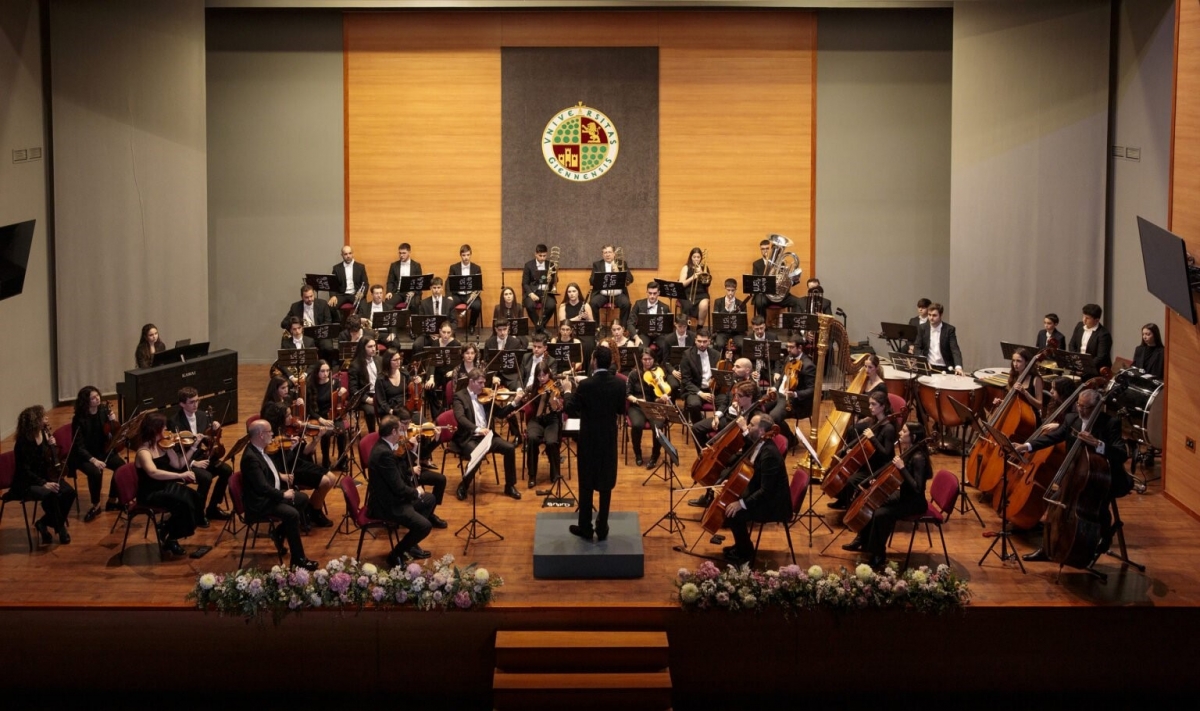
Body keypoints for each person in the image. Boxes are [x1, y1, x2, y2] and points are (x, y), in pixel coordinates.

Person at [1015, 387, 1132, 563]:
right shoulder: (1072, 419)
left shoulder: (1110, 423)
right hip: (1074, 474)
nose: (1081, 410)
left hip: (1103, 478)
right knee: (1053, 506)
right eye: (1079, 405)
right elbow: (1053, 437)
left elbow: (1122, 454)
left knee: (1097, 506)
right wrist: (1027, 446)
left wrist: (1099, 444)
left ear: (1096, 408)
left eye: (1086, 407)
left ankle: (1102, 539)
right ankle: (1047, 549)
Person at [842, 422, 931, 569]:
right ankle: (864, 541)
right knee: (875, 501)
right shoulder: (909, 450)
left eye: (904, 431)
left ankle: (878, 555)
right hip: (904, 496)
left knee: (881, 514)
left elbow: (917, 487)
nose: (900, 433)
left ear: (913, 436)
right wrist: (877, 480)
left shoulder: (918, 458)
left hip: (914, 503)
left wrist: (902, 468)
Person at [562, 346, 626, 542]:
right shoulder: (619, 384)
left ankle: (585, 528)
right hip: (608, 438)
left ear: (595, 361)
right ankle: (602, 526)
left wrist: (567, 391)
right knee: (606, 484)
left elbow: (571, 409)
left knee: (586, 483)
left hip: (589, 439)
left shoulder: (586, 385)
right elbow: (621, 410)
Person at [239, 419, 319, 571]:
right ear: (261, 435)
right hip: (260, 503)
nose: (273, 434)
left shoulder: (260, 449)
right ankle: (298, 560)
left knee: (302, 499)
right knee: (292, 514)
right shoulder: (251, 458)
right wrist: (283, 495)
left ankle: (278, 534)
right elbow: (262, 488)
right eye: (270, 432)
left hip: (269, 496)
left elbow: (267, 471)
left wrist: (280, 476)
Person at [721, 413, 792, 565]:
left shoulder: (769, 454)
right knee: (730, 502)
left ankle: (745, 552)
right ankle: (742, 545)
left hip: (773, 504)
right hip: (764, 495)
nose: (747, 427)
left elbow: (766, 492)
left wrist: (741, 503)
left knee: (734, 513)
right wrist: (732, 485)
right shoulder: (758, 443)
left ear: (761, 431)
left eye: (751, 425)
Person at [367, 415, 435, 566]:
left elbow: (398, 473)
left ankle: (410, 544)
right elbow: (398, 488)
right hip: (387, 505)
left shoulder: (386, 446)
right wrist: (416, 492)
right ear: (393, 432)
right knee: (424, 526)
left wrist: (410, 472)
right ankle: (395, 554)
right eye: (399, 430)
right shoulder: (383, 453)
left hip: (394, 497)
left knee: (430, 499)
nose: (402, 433)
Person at [259, 402, 337, 528]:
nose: (292, 418)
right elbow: (269, 462)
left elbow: (305, 451)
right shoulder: (270, 435)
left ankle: (311, 509)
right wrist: (287, 449)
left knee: (332, 478)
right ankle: (316, 512)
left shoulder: (288, 431)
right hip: (287, 469)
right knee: (325, 482)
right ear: (279, 419)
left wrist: (316, 439)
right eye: (288, 416)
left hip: (296, 462)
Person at [133, 412, 200, 555]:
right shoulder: (143, 452)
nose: (167, 430)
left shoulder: (163, 445)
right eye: (163, 428)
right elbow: (153, 472)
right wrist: (180, 476)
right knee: (183, 504)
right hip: (151, 493)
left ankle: (166, 528)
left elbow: (179, 463)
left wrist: (193, 448)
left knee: (194, 497)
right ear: (155, 430)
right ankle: (171, 538)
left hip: (165, 487)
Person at [452, 368, 522, 501]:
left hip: (488, 437)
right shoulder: (459, 396)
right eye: (480, 383)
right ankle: (464, 485)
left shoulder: (485, 395)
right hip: (469, 438)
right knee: (478, 454)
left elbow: (500, 414)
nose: (484, 386)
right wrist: (478, 429)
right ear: (471, 382)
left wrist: (514, 403)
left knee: (509, 448)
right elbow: (461, 418)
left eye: (484, 383)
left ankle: (509, 486)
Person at [168, 387, 234, 528]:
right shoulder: (174, 422)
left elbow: (207, 441)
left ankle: (213, 508)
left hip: (202, 456)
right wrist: (193, 463)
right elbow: (174, 451)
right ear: (182, 404)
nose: (195, 405)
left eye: (197, 401)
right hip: (186, 461)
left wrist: (214, 431)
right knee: (206, 477)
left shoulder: (203, 416)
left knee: (226, 470)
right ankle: (198, 513)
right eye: (191, 402)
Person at [13, 406, 77, 545]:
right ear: (35, 421)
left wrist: (51, 446)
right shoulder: (22, 443)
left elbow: (47, 458)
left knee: (70, 492)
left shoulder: (44, 433)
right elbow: (25, 471)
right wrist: (44, 483)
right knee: (51, 494)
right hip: (28, 482)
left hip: (47, 475)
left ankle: (43, 523)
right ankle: (61, 528)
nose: (46, 418)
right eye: (43, 417)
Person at [829, 391, 898, 510]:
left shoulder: (889, 429)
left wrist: (873, 438)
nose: (870, 407)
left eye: (873, 404)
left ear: (883, 406)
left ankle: (850, 508)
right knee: (846, 472)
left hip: (878, 467)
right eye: (869, 404)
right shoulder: (874, 422)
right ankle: (843, 500)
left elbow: (886, 454)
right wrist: (854, 449)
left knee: (851, 480)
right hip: (870, 461)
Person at [68, 386, 124, 522]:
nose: (97, 398)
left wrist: (113, 421)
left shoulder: (104, 411)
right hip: (85, 455)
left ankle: (112, 500)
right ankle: (96, 505)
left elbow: (112, 433)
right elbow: (79, 447)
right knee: (95, 472)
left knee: (121, 467)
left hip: (102, 450)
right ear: (86, 401)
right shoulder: (79, 419)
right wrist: (93, 460)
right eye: (93, 398)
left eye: (97, 395)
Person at [517, 362, 564, 488]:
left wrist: (555, 401)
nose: (541, 378)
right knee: (532, 439)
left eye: (544, 375)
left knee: (551, 442)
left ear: (549, 374)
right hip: (536, 420)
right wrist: (521, 396)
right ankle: (532, 475)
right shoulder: (533, 388)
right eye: (539, 376)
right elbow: (523, 396)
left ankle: (555, 473)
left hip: (552, 420)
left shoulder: (556, 386)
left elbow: (561, 405)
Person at [626, 348, 672, 468]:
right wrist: (636, 400)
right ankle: (638, 453)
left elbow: (661, 391)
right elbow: (627, 394)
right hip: (637, 406)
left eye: (650, 359)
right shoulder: (634, 374)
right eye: (645, 359)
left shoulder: (659, 372)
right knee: (637, 425)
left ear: (654, 359)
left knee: (658, 427)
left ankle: (655, 455)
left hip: (654, 405)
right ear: (640, 360)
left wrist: (662, 398)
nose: (647, 362)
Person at [769, 336, 816, 437]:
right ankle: (788, 437)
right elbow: (782, 377)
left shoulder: (808, 366)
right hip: (779, 394)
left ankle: (789, 441)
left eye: (791, 347)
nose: (788, 349)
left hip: (793, 401)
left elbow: (812, 389)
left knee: (772, 417)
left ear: (800, 348)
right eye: (787, 346)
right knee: (761, 408)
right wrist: (774, 387)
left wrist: (795, 394)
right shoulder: (789, 358)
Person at [306, 361, 349, 468]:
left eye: (327, 371)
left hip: (334, 415)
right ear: (316, 372)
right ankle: (326, 460)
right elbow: (310, 409)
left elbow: (341, 401)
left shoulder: (335, 383)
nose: (325, 374)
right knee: (326, 434)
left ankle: (341, 460)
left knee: (342, 432)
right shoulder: (311, 386)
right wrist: (322, 420)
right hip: (319, 417)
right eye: (322, 371)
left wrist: (343, 393)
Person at [588, 244, 634, 326]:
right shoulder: (597, 264)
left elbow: (630, 279)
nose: (607, 254)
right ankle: (596, 328)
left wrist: (618, 273)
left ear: (614, 254)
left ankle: (622, 328)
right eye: (605, 252)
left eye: (609, 252)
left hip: (618, 294)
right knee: (593, 304)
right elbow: (591, 281)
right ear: (602, 254)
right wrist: (601, 277)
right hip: (602, 293)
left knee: (626, 304)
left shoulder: (622, 263)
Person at [680, 329, 718, 424]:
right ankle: (699, 429)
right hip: (695, 390)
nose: (702, 344)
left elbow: (720, 375)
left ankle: (718, 429)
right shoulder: (687, 355)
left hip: (712, 390)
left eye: (705, 342)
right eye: (699, 341)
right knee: (694, 405)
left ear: (709, 341)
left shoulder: (716, 354)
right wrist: (701, 393)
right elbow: (686, 380)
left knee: (727, 401)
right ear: (695, 340)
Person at [914, 303, 964, 375]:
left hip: (946, 368)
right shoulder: (922, 328)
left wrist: (958, 367)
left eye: (934, 315)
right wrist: (923, 361)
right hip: (929, 366)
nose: (931, 318)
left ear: (941, 315)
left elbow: (955, 349)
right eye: (929, 315)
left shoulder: (949, 329)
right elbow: (917, 347)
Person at [1068, 303, 1112, 377]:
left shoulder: (1104, 334)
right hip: (1078, 367)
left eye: (1087, 318)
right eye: (1084, 316)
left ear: (1097, 320)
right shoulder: (1079, 326)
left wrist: (1084, 368)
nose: (1084, 320)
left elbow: (1100, 357)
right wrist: (1076, 363)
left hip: (1095, 371)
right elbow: (1072, 344)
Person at [348, 337, 381, 433]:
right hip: (364, 396)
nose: (373, 349)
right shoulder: (355, 365)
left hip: (378, 393)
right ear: (363, 348)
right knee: (371, 411)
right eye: (370, 346)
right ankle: (372, 433)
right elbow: (353, 389)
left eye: (374, 346)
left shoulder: (379, 360)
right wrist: (368, 399)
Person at [998, 347, 1044, 417]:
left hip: (1030, 417)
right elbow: (1013, 400)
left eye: (1019, 361)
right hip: (1016, 413)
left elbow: (1039, 405)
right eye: (1013, 361)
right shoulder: (1014, 377)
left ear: (1026, 362)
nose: (1015, 364)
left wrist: (1025, 392)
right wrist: (1002, 402)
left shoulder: (1036, 379)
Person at [448, 244, 483, 333]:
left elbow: (479, 285)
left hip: (470, 295)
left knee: (477, 305)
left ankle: (472, 325)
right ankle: (451, 326)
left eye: (468, 255)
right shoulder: (454, 267)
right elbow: (448, 282)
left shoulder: (476, 268)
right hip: (457, 295)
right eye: (464, 255)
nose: (466, 257)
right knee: (447, 304)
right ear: (460, 255)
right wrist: (449, 296)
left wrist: (474, 294)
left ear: (470, 254)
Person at [521, 244, 557, 331]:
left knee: (551, 305)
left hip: (546, 292)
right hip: (533, 291)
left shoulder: (551, 265)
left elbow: (554, 281)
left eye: (544, 256)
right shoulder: (528, 265)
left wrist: (550, 279)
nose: (542, 258)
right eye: (540, 255)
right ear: (535, 254)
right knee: (529, 305)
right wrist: (530, 294)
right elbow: (524, 283)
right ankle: (541, 328)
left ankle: (539, 328)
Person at [678, 247, 711, 328]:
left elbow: (707, 283)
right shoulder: (686, 267)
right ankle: (686, 327)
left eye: (698, 257)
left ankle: (699, 328)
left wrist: (701, 273)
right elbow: (681, 284)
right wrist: (693, 277)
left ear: (701, 258)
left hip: (701, 293)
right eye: (694, 257)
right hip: (687, 293)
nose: (696, 259)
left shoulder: (704, 268)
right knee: (687, 305)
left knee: (704, 305)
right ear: (691, 257)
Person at [329, 244, 369, 309]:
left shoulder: (360, 267)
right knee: (331, 306)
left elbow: (366, 284)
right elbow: (333, 285)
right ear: (342, 255)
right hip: (342, 294)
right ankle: (340, 319)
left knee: (364, 307)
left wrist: (362, 293)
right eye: (345, 254)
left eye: (350, 253)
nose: (348, 256)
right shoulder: (336, 268)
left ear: (352, 254)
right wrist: (333, 296)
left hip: (355, 294)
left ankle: (357, 319)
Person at [711, 278, 745, 352]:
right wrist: (726, 308)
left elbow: (743, 323)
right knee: (719, 344)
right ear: (725, 289)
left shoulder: (741, 303)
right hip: (722, 331)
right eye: (728, 290)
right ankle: (718, 362)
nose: (730, 293)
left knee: (742, 344)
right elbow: (717, 320)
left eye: (732, 290)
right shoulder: (718, 302)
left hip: (736, 332)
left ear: (735, 290)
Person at [384, 242, 422, 308]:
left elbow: (419, 283)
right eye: (400, 253)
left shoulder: (416, 265)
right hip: (398, 293)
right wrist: (389, 292)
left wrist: (413, 292)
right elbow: (390, 281)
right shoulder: (394, 265)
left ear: (409, 252)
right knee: (388, 303)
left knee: (414, 303)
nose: (401, 255)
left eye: (404, 253)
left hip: (411, 292)